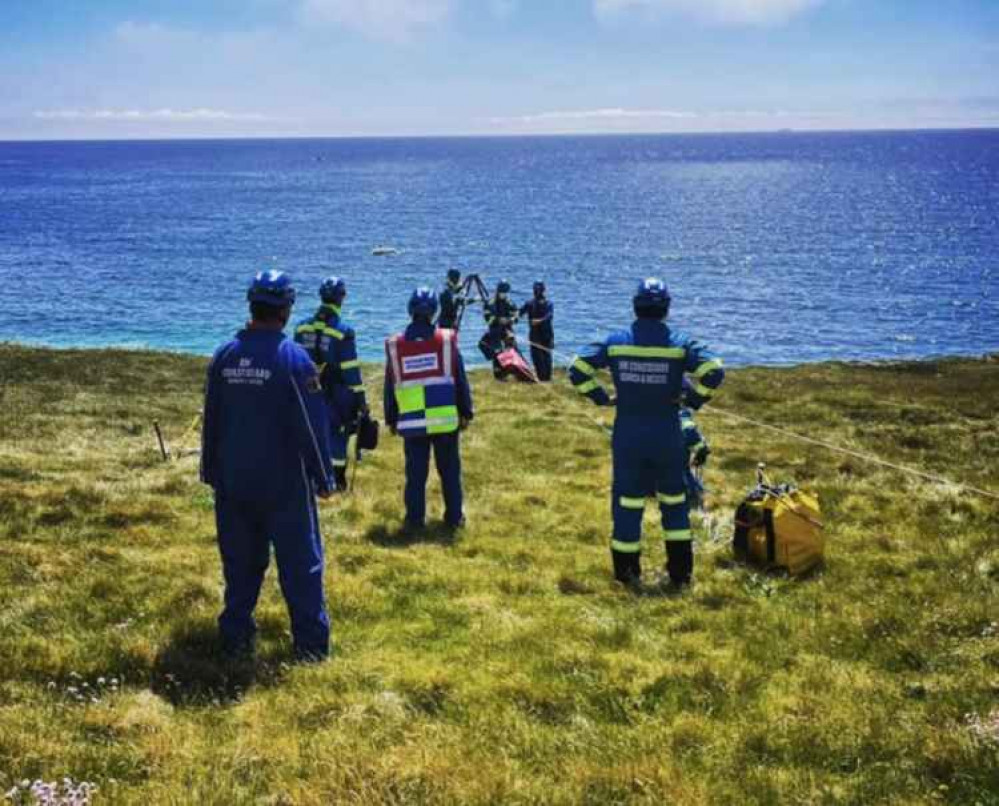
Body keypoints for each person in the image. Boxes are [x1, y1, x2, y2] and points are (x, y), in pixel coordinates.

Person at [200, 270, 335, 661]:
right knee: (301, 566)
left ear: (252, 305)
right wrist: (324, 477)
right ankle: (310, 649)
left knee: (239, 564)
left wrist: (210, 471)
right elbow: (311, 426)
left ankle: (234, 639)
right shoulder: (294, 360)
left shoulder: (224, 356)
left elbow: (213, 419)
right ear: (286, 309)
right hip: (283, 485)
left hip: (233, 483)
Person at [568, 278, 724, 590]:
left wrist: (601, 397)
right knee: (675, 504)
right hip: (668, 435)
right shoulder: (679, 343)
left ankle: (626, 575)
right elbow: (714, 370)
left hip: (628, 436)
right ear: (666, 308)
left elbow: (577, 368)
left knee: (627, 504)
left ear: (635, 306)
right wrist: (693, 399)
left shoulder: (617, 341)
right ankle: (680, 575)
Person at [384, 287, 474, 530]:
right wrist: (466, 411)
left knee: (415, 476)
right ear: (434, 312)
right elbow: (460, 378)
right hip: (445, 420)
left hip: (412, 422)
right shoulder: (446, 340)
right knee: (450, 473)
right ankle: (454, 519)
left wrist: (391, 418)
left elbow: (390, 384)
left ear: (410, 310)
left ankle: (414, 521)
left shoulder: (395, 345)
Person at [293, 275, 367, 491]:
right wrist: (361, 400)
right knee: (337, 434)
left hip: (307, 389)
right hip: (336, 393)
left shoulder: (301, 328)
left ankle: (310, 476)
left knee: (310, 430)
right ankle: (336, 480)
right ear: (341, 298)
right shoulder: (343, 331)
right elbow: (351, 370)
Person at [478, 279, 519, 378]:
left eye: (505, 292)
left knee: (512, 349)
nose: (503, 294)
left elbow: (516, 316)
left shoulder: (510, 303)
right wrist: (497, 320)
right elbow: (487, 319)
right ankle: (499, 373)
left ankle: (513, 370)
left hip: (507, 330)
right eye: (502, 292)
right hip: (494, 330)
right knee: (490, 348)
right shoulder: (490, 303)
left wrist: (510, 320)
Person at [518, 280, 555, 381]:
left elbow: (549, 316)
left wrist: (539, 321)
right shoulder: (530, 303)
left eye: (539, 290)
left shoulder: (549, 303)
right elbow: (519, 312)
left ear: (543, 290)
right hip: (534, 334)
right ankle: (541, 377)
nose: (537, 292)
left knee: (547, 355)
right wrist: (512, 317)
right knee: (536, 356)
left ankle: (548, 378)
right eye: (536, 290)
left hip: (546, 333)